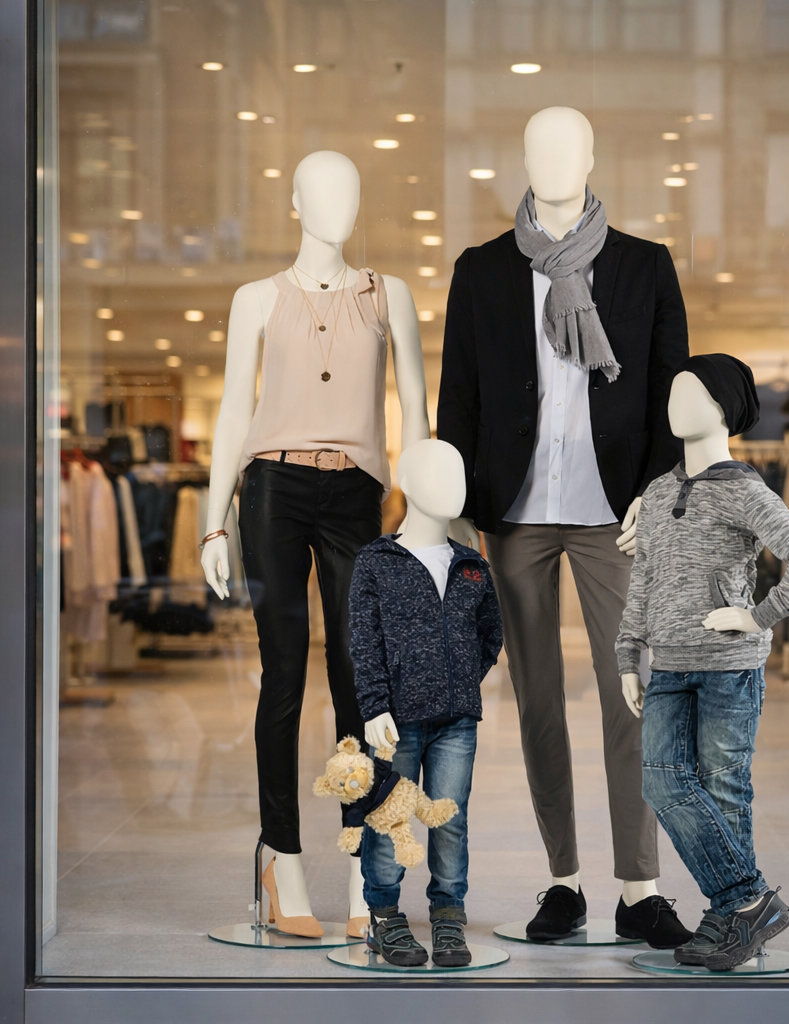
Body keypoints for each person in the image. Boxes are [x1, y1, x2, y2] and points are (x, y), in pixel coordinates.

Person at [437, 106, 691, 947]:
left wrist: (655, 495)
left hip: (613, 511)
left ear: (590, 158)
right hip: (514, 511)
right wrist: (458, 509)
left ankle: (639, 888)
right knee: (536, 699)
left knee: (632, 695)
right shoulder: (481, 270)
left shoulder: (644, 265)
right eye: (537, 147)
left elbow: (670, 390)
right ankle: (563, 882)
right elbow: (459, 397)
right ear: (522, 158)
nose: (551, 160)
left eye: (566, 146)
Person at [199, 150, 429, 937]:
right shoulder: (256, 298)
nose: (337, 205)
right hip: (272, 489)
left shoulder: (387, 294)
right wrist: (214, 520)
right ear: (293, 203)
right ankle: (282, 860)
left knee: (361, 680)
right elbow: (234, 411)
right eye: (321, 192)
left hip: (356, 495)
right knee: (284, 674)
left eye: (349, 192)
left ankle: (369, 862)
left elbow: (415, 411)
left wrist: (424, 515)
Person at [616, 354, 789, 971]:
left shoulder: (744, 490)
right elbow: (643, 581)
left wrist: (757, 616)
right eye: (673, 392)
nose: (675, 404)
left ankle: (727, 916)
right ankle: (748, 900)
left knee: (724, 789)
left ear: (725, 408)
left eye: (692, 394)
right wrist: (628, 654)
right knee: (662, 782)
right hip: (668, 666)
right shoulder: (659, 493)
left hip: (729, 667)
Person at [347, 439, 503, 967]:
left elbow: (490, 635)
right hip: (396, 719)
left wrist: (459, 681)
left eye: (459, 474)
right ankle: (384, 915)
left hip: (457, 720)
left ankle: (448, 914)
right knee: (389, 816)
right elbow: (363, 641)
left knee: (450, 818)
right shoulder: (376, 561)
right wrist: (374, 705)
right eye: (439, 475)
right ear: (408, 484)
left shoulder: (472, 565)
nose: (454, 486)